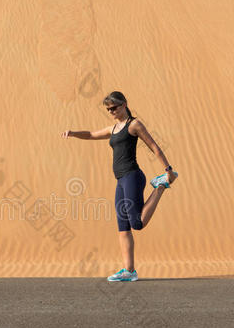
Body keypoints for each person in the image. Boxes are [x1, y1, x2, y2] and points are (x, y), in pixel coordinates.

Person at [61, 91, 178, 282]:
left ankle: (161, 186)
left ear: (124, 104)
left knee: (137, 223)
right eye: (108, 109)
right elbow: (91, 134)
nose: (111, 111)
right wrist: (73, 133)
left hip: (133, 176)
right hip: (121, 180)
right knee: (123, 227)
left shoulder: (134, 125)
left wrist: (168, 170)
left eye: (114, 108)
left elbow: (154, 146)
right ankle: (129, 270)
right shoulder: (113, 128)